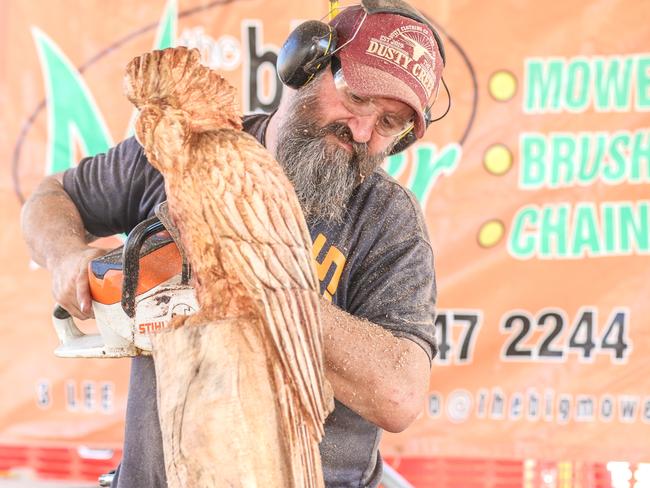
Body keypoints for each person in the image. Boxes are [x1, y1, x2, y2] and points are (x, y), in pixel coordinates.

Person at [21, 1, 444, 486]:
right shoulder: (185, 146)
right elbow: (50, 198)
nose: (363, 129)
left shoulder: (388, 220)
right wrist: (65, 256)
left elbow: (400, 394)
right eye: (356, 96)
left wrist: (266, 288)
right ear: (304, 63)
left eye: (390, 123)